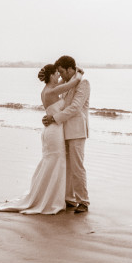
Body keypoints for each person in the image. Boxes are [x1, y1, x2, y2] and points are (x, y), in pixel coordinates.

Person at [0, 63, 83, 214]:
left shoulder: (46, 91)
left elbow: (64, 84)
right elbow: (72, 83)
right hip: (54, 131)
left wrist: (67, 76)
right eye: (57, 74)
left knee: (51, 163)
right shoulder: (53, 91)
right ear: (51, 76)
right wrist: (79, 74)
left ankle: (49, 195)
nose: (59, 76)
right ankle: (49, 198)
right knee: (56, 163)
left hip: (50, 130)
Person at [42, 55, 91, 213]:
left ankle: (83, 201)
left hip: (76, 131)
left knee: (77, 166)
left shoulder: (83, 83)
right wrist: (51, 117)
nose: (61, 75)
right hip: (61, 130)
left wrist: (54, 118)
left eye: (63, 72)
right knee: (66, 167)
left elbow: (75, 107)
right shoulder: (68, 82)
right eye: (59, 73)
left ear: (71, 69)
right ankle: (69, 199)